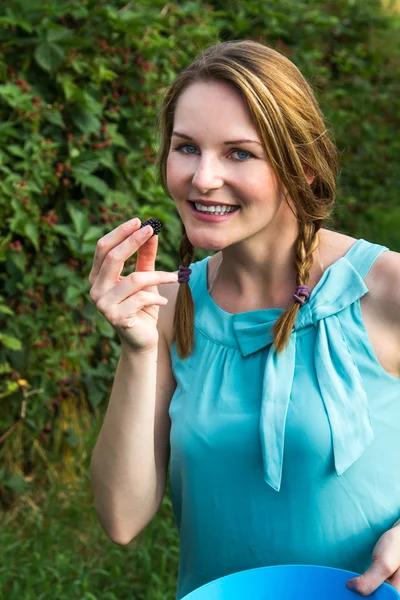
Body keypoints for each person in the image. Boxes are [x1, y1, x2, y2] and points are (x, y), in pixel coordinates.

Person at [89, 40, 400, 599]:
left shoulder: (385, 290)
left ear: (301, 167)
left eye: (239, 153)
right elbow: (122, 517)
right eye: (187, 148)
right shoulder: (171, 308)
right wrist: (138, 349)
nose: (203, 178)